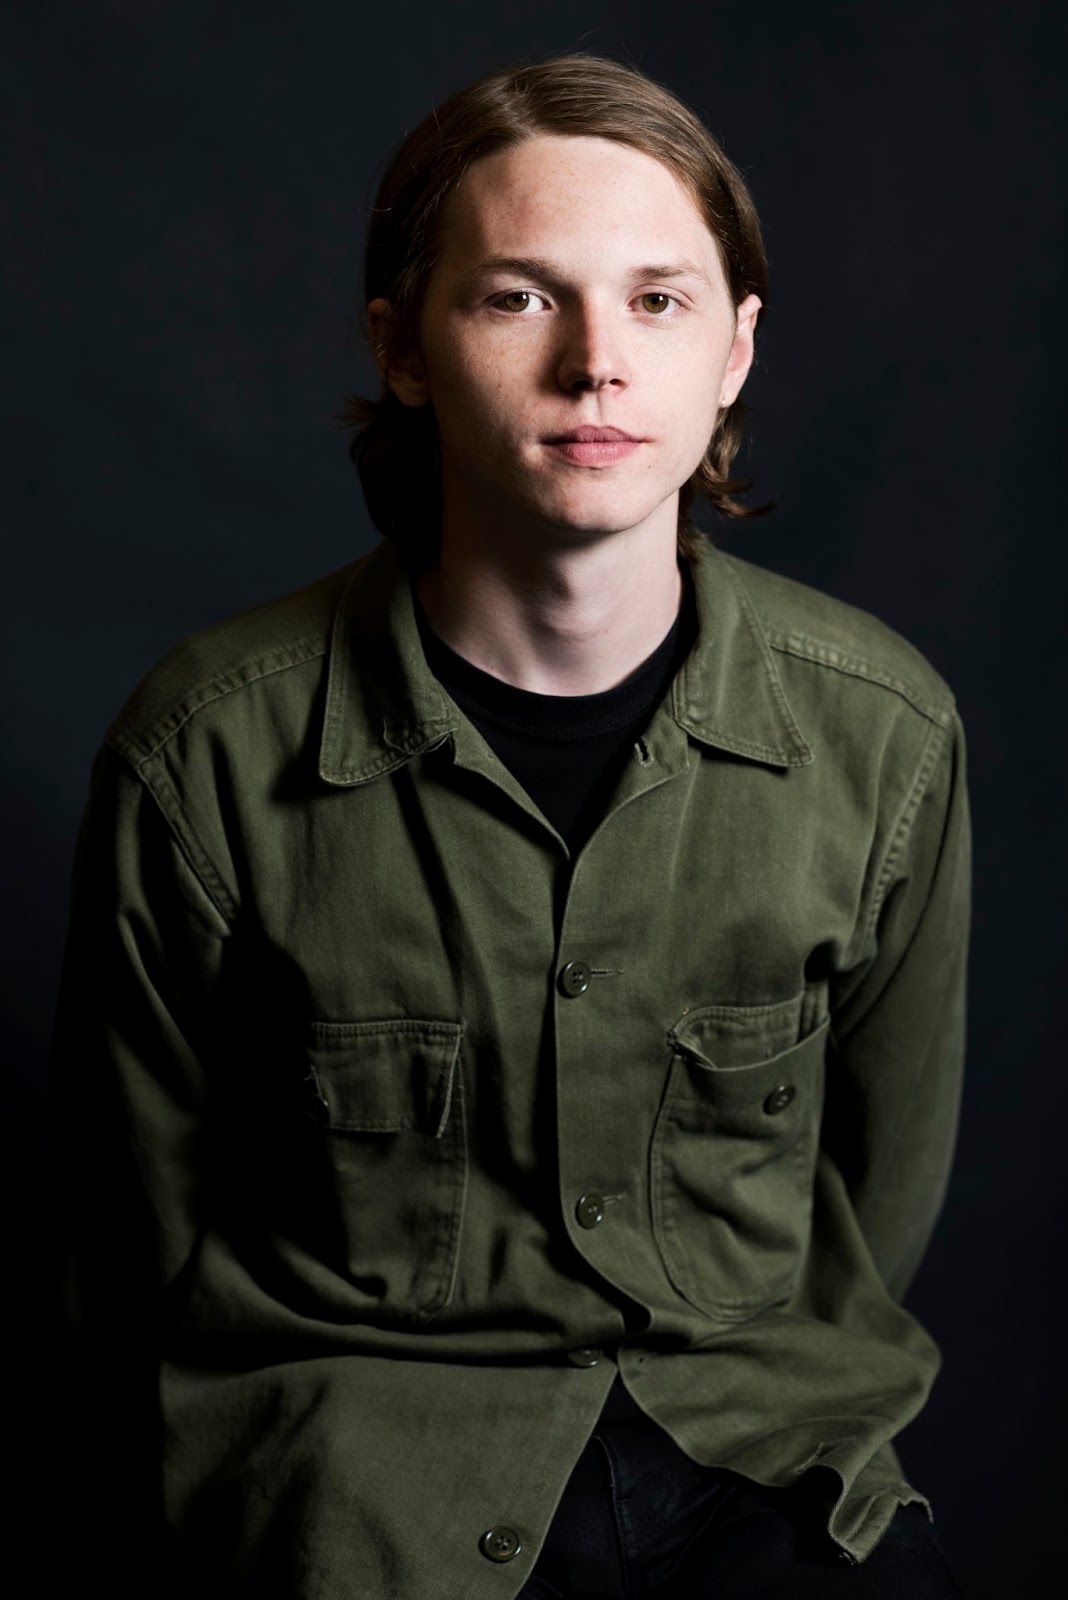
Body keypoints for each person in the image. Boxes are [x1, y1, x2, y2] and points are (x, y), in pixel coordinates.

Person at [51, 53, 971, 1600]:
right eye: (518, 298)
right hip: (362, 1483)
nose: (596, 363)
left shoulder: (885, 731)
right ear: (401, 347)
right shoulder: (202, 750)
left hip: (757, 1451)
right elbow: (130, 1242)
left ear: (736, 350)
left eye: (658, 301)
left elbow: (880, 1193)